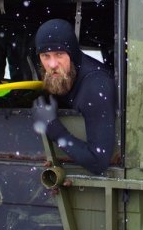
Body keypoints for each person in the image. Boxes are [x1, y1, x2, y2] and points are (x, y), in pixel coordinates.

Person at [32, 18, 115, 174]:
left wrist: (53, 127)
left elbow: (99, 161)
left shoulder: (96, 85)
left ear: (73, 53)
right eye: (45, 55)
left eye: (59, 54)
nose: (52, 64)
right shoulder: (57, 74)